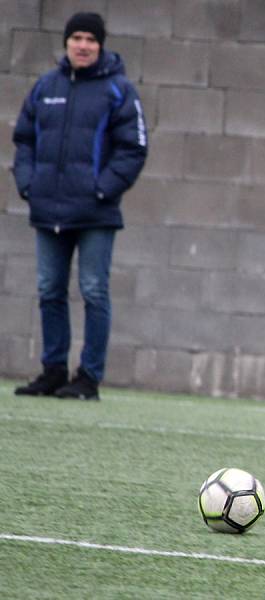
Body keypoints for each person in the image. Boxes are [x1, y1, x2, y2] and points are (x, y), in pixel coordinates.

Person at [12, 12, 148, 401]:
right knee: (49, 290)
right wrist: (28, 185)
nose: (83, 45)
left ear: (101, 44)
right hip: (48, 211)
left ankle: (88, 378)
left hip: (95, 214)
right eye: (77, 38)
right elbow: (24, 141)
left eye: (90, 38)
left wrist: (101, 190)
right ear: (66, 43)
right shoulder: (45, 87)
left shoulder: (119, 90)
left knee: (93, 291)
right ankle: (53, 371)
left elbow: (134, 148)